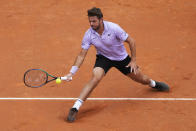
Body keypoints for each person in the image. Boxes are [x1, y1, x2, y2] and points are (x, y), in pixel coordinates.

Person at [64, 7, 170, 123]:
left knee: (142, 79)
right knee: (95, 77)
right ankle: (75, 107)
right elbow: (81, 55)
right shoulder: (89, 34)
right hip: (103, 58)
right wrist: (71, 72)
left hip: (121, 59)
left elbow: (131, 41)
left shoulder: (114, 28)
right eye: (90, 21)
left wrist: (133, 60)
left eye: (94, 21)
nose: (91, 24)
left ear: (101, 20)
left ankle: (153, 84)